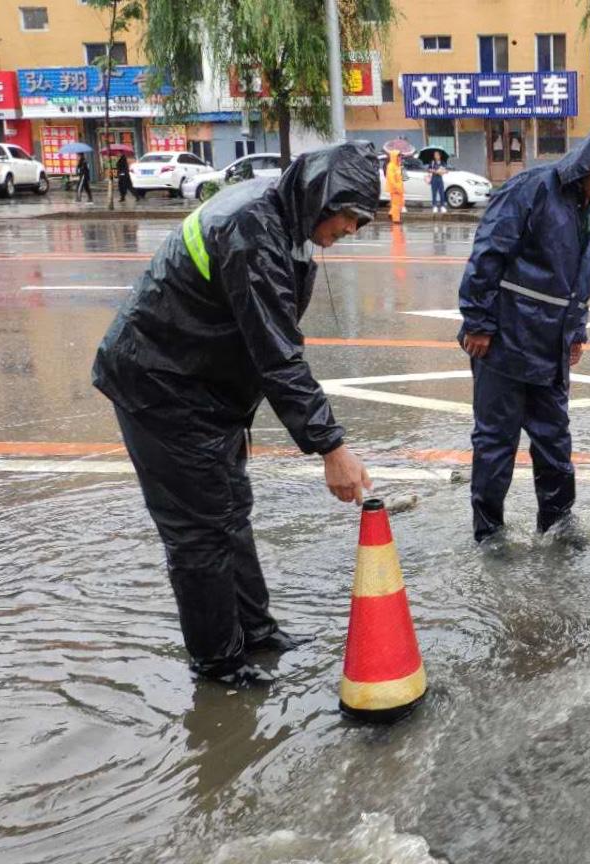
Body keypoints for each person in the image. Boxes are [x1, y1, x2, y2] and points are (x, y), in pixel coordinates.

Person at [92, 143, 382, 685]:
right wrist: (331, 447)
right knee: (199, 532)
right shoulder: (252, 230)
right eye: (350, 216)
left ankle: (255, 632)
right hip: (161, 386)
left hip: (206, 389)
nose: (353, 229)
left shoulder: (286, 222)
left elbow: (267, 341)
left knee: (229, 510)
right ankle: (219, 664)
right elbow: (276, 352)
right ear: (323, 199)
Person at [458, 120, 590, 544]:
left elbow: (582, 274)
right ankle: (489, 534)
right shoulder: (533, 189)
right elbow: (488, 252)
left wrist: (576, 329)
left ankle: (558, 523)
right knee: (495, 444)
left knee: (554, 441)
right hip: (503, 340)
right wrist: (478, 322)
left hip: (550, 344)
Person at [385, 148, 405, 224]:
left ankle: (391, 214)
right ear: (394, 156)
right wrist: (396, 187)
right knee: (396, 204)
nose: (400, 157)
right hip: (395, 189)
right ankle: (396, 220)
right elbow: (391, 179)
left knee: (400, 203)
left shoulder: (398, 165)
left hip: (399, 188)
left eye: (400, 156)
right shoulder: (391, 166)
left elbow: (401, 177)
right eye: (398, 156)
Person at [428, 151, 449, 215]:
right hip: (434, 179)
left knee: (441, 193)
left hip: (440, 179)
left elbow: (446, 170)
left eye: (437, 155)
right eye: (435, 155)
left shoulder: (443, 162)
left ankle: (442, 206)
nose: (436, 156)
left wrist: (443, 171)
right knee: (434, 193)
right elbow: (429, 169)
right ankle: (434, 206)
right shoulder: (432, 162)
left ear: (440, 156)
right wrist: (435, 171)